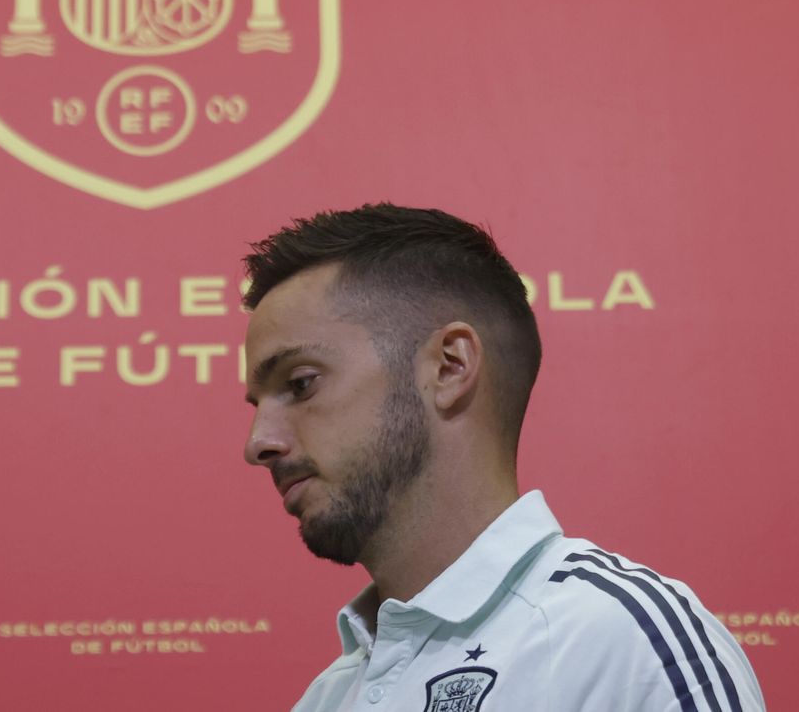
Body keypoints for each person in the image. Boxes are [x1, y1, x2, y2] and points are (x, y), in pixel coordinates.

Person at [241, 204, 765, 712]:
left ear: (449, 367)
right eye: (257, 403)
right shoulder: (327, 698)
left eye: (300, 384)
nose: (258, 442)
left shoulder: (622, 644)